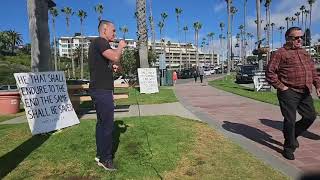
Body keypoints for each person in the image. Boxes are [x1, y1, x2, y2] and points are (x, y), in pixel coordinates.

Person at [266, 27, 320, 160]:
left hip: (305, 91)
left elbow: (313, 71)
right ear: (288, 39)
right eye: (296, 38)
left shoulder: (304, 53)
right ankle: (289, 147)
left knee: (310, 116)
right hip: (288, 92)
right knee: (290, 120)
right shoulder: (280, 53)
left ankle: (292, 135)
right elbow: (270, 72)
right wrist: (281, 87)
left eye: (301, 37)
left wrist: (318, 86)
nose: (300, 40)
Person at [88, 20, 127, 171]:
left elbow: (113, 62)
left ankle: (100, 155)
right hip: (101, 90)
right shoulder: (100, 42)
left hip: (101, 89)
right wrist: (120, 47)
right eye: (113, 30)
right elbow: (116, 57)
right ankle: (106, 159)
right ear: (104, 30)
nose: (115, 34)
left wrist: (113, 66)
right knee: (108, 126)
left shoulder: (99, 45)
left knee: (102, 123)